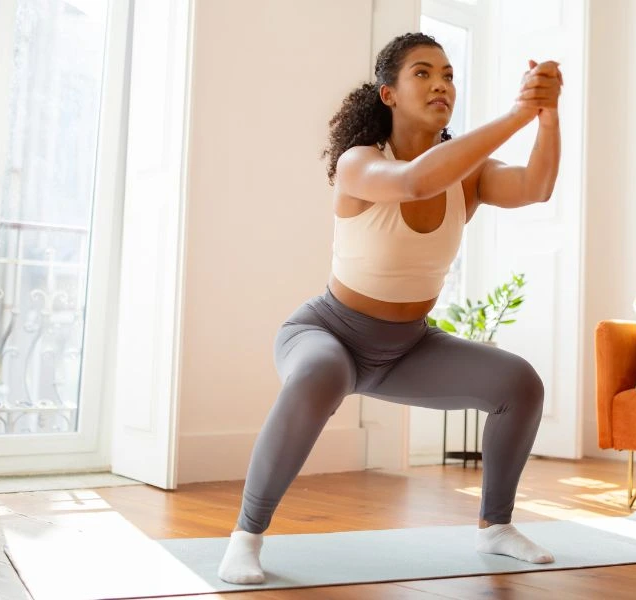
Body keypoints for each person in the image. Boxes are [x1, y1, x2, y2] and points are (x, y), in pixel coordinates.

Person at [218, 32, 563, 585]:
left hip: (408, 346)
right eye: (423, 73)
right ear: (389, 94)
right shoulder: (360, 163)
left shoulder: (468, 173)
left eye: (448, 75)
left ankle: (495, 527)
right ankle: (245, 537)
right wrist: (518, 113)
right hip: (328, 330)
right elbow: (412, 180)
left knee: (520, 384)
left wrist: (546, 117)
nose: (441, 84)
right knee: (319, 374)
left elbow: (536, 186)